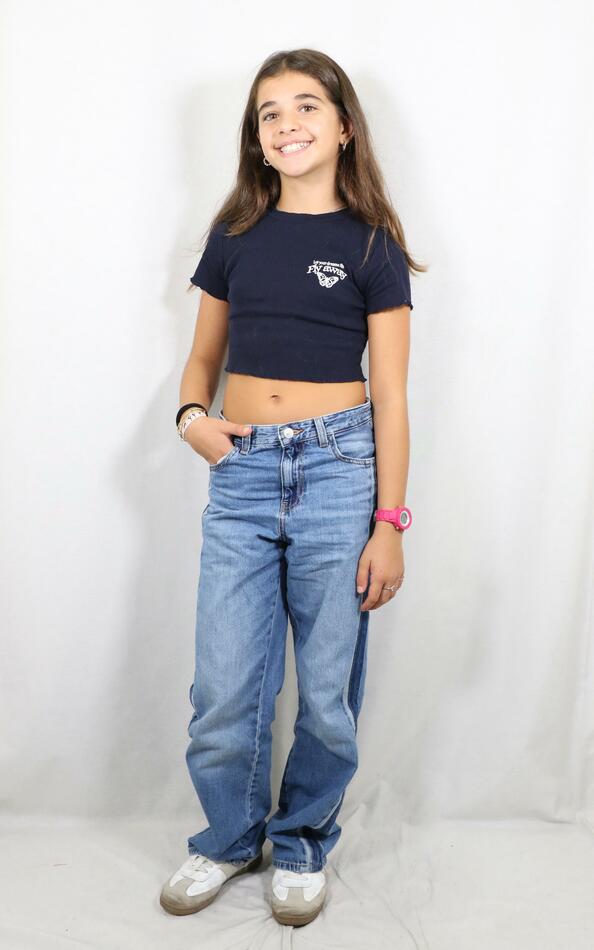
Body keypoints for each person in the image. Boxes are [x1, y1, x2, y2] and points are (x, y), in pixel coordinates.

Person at [160, 48, 425, 928]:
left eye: (306, 106)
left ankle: (303, 839)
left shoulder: (372, 246)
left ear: (344, 127)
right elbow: (202, 358)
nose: (287, 124)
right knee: (224, 685)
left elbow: (392, 397)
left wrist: (389, 523)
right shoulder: (235, 235)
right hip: (240, 474)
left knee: (325, 687)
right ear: (257, 136)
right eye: (269, 112)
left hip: (340, 472)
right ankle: (230, 838)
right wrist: (192, 418)